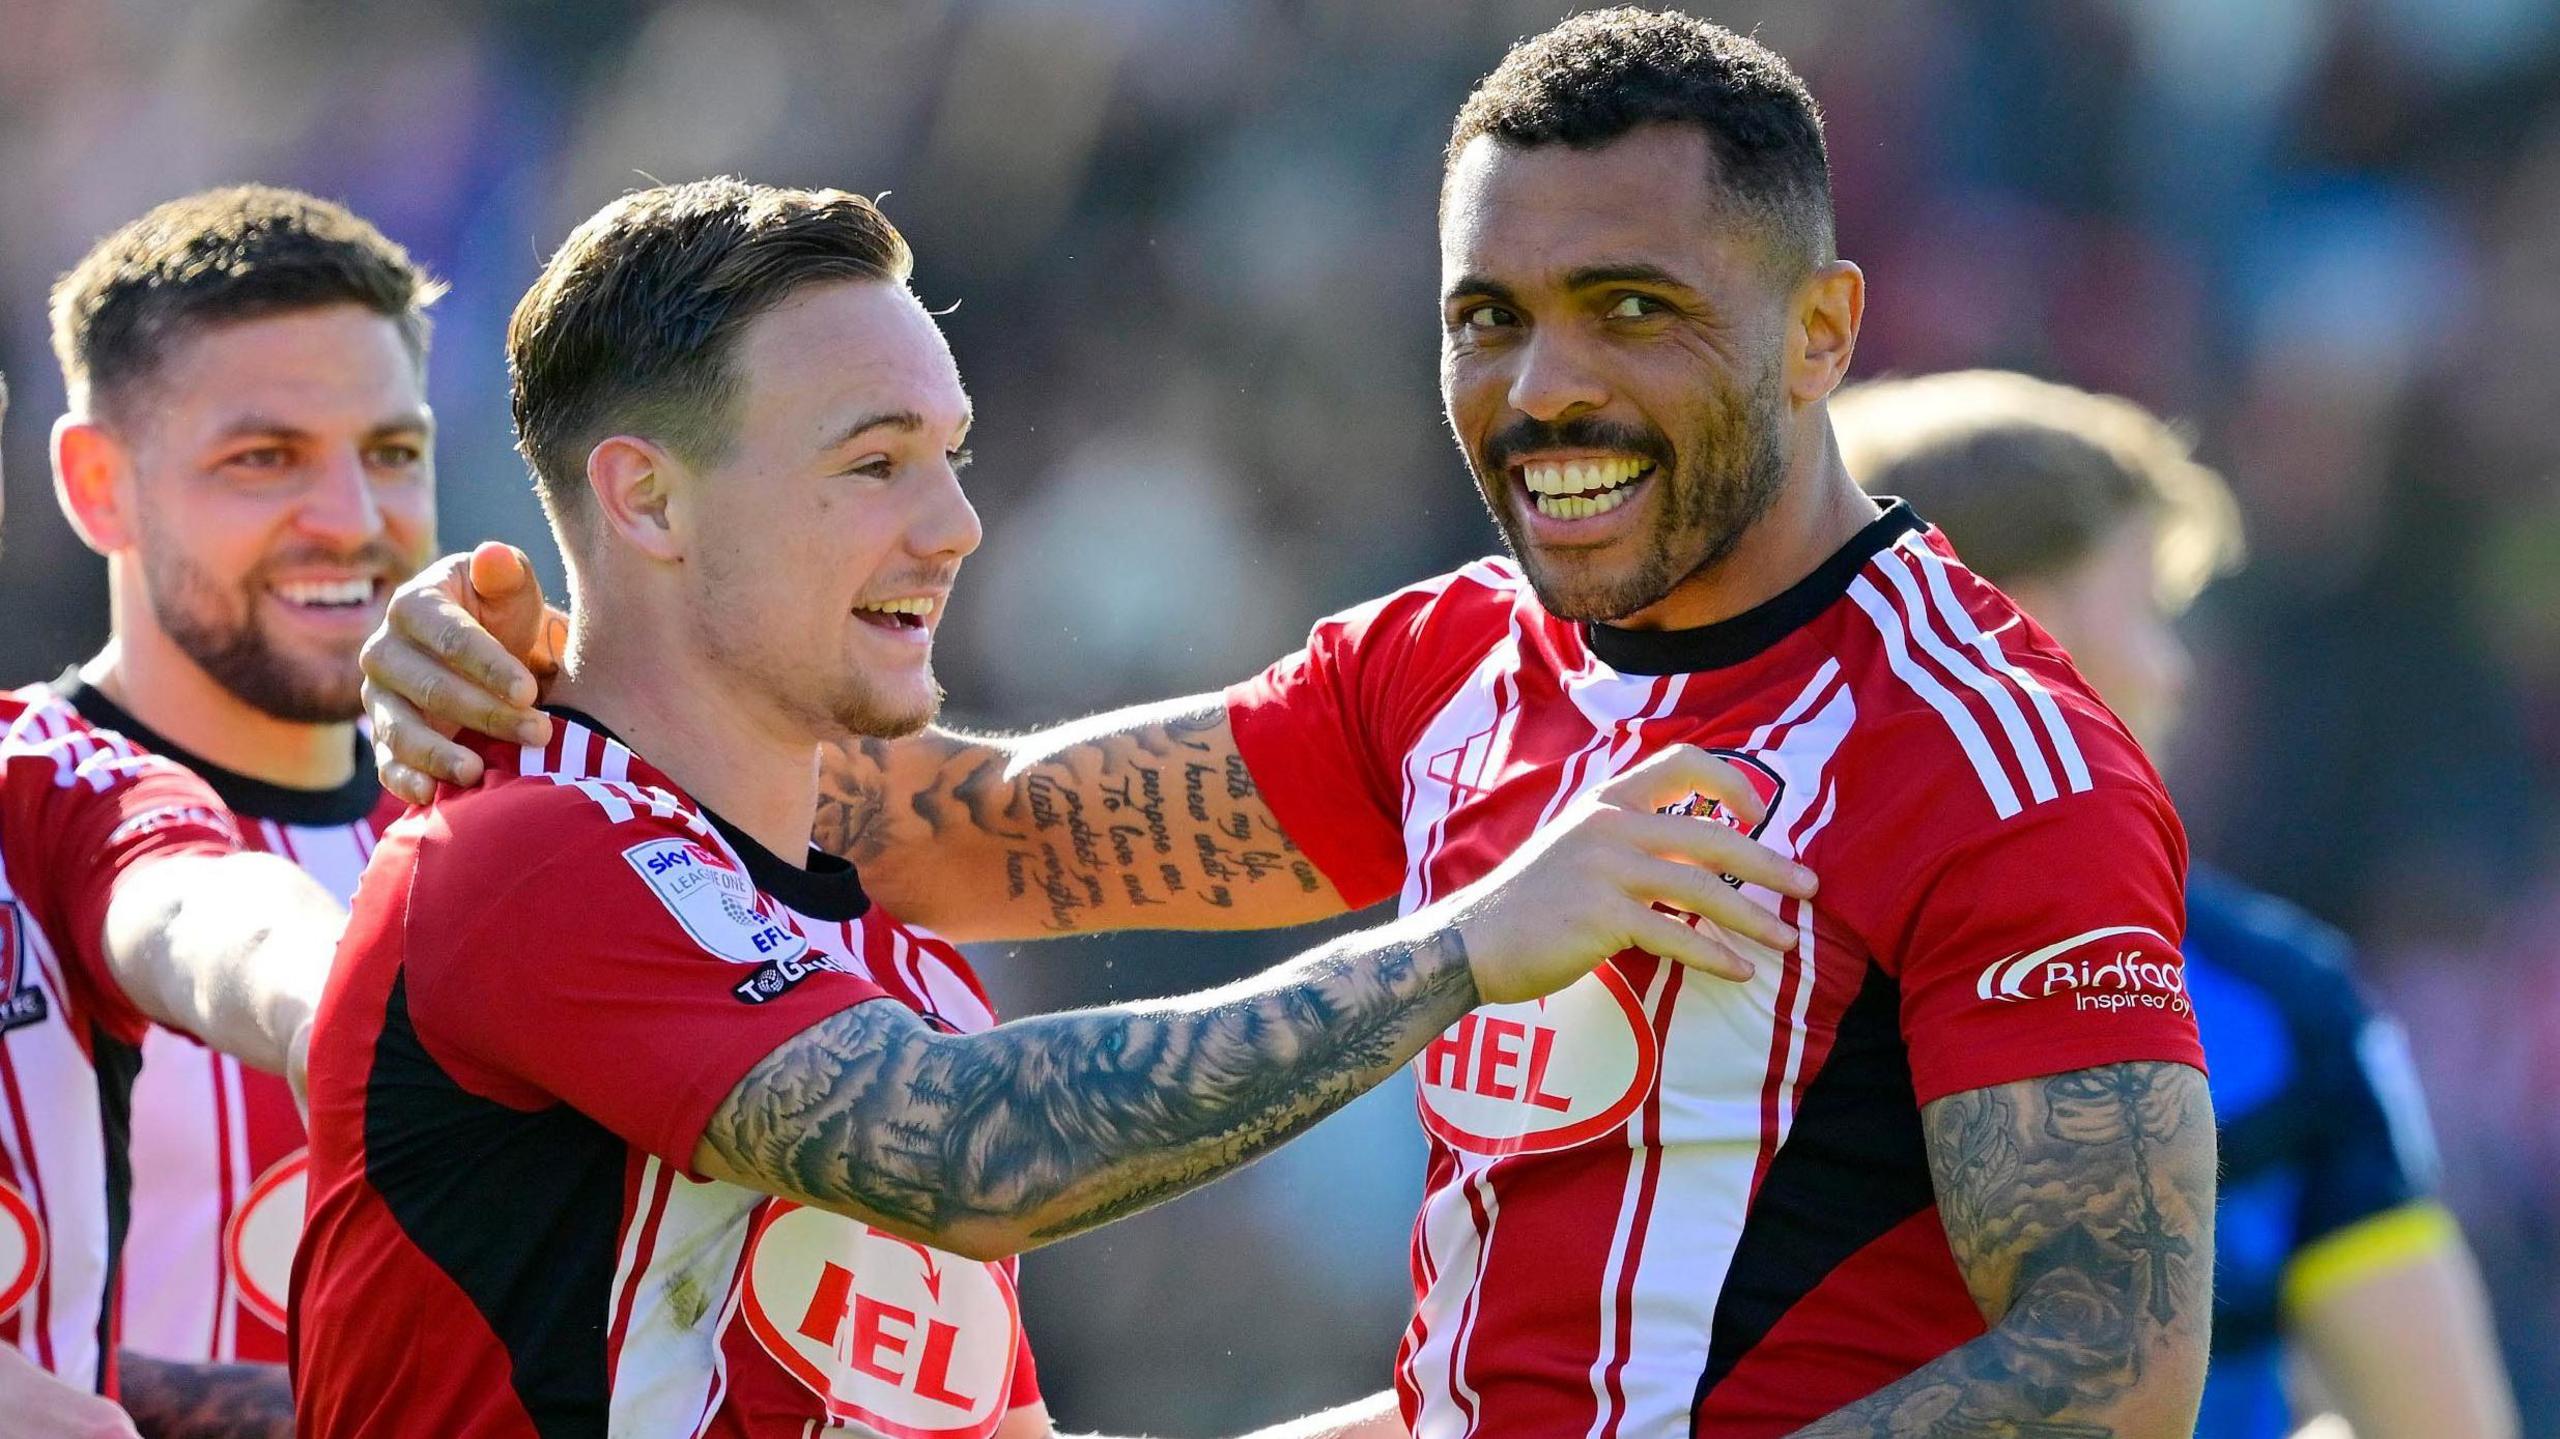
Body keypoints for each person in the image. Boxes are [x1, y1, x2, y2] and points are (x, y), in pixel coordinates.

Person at [367, 12, 2216, 1437]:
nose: (1546, 384)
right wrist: (543, 679)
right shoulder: (1454, 669)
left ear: (1820, 332)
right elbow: (963, 823)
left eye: (1633, 310)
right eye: (1486, 316)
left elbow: (2108, 1359)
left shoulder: (1992, 762)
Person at [291, 177, 1801, 1439]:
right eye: (874, 462)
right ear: (647, 501)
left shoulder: (884, 935)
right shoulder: (530, 853)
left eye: (947, 456)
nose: (953, 527)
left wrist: (1492, 1409)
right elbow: (971, 1153)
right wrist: (1465, 945)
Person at [1829, 368, 2521, 1439]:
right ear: (2021, 629)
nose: (2176, 670)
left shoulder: (2287, 1004)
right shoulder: (2267, 1005)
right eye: (2149, 607)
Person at [40, 184, 432, 1428]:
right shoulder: (26, 821)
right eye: (263, 458)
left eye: (392, 453)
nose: (353, 521)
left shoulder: (522, 819)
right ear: (100, 484)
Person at [0, 366, 346, 1439]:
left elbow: (193, 902)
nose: (345, 517)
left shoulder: (51, 781)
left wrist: (338, 990)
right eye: (262, 457)